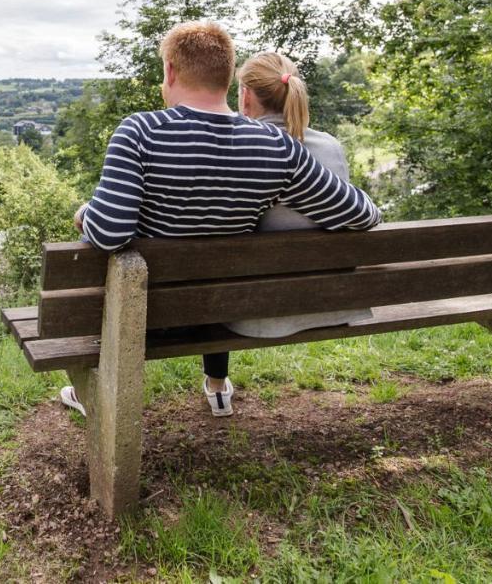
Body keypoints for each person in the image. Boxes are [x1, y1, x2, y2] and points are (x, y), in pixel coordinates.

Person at [63, 23, 380, 418]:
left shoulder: (139, 131)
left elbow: (109, 233)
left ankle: (88, 389)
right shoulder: (277, 145)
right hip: (222, 313)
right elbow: (362, 215)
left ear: (170, 71)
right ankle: (215, 382)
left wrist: (83, 214)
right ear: (229, 78)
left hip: (147, 319)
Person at [224, 51, 376, 337]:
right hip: (332, 304)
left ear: (245, 97)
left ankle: (216, 379)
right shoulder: (330, 145)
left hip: (261, 314)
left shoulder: (240, 150)